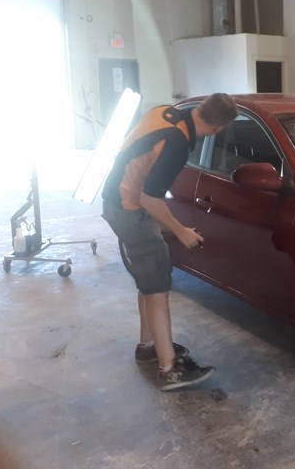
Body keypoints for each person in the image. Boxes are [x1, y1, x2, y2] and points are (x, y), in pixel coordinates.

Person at [102, 93, 238, 391]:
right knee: (158, 288)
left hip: (120, 201)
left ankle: (148, 346)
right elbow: (150, 199)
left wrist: (169, 223)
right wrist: (180, 230)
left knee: (149, 282)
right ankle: (169, 369)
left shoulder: (167, 112)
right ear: (219, 128)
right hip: (129, 209)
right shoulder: (177, 144)